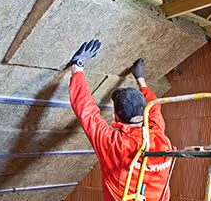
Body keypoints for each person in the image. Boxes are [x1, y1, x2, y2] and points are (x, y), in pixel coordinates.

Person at [68, 39, 173, 201]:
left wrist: (77, 66)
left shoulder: (116, 145)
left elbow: (86, 110)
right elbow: (154, 108)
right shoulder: (160, 136)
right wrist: (140, 78)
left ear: (116, 117)